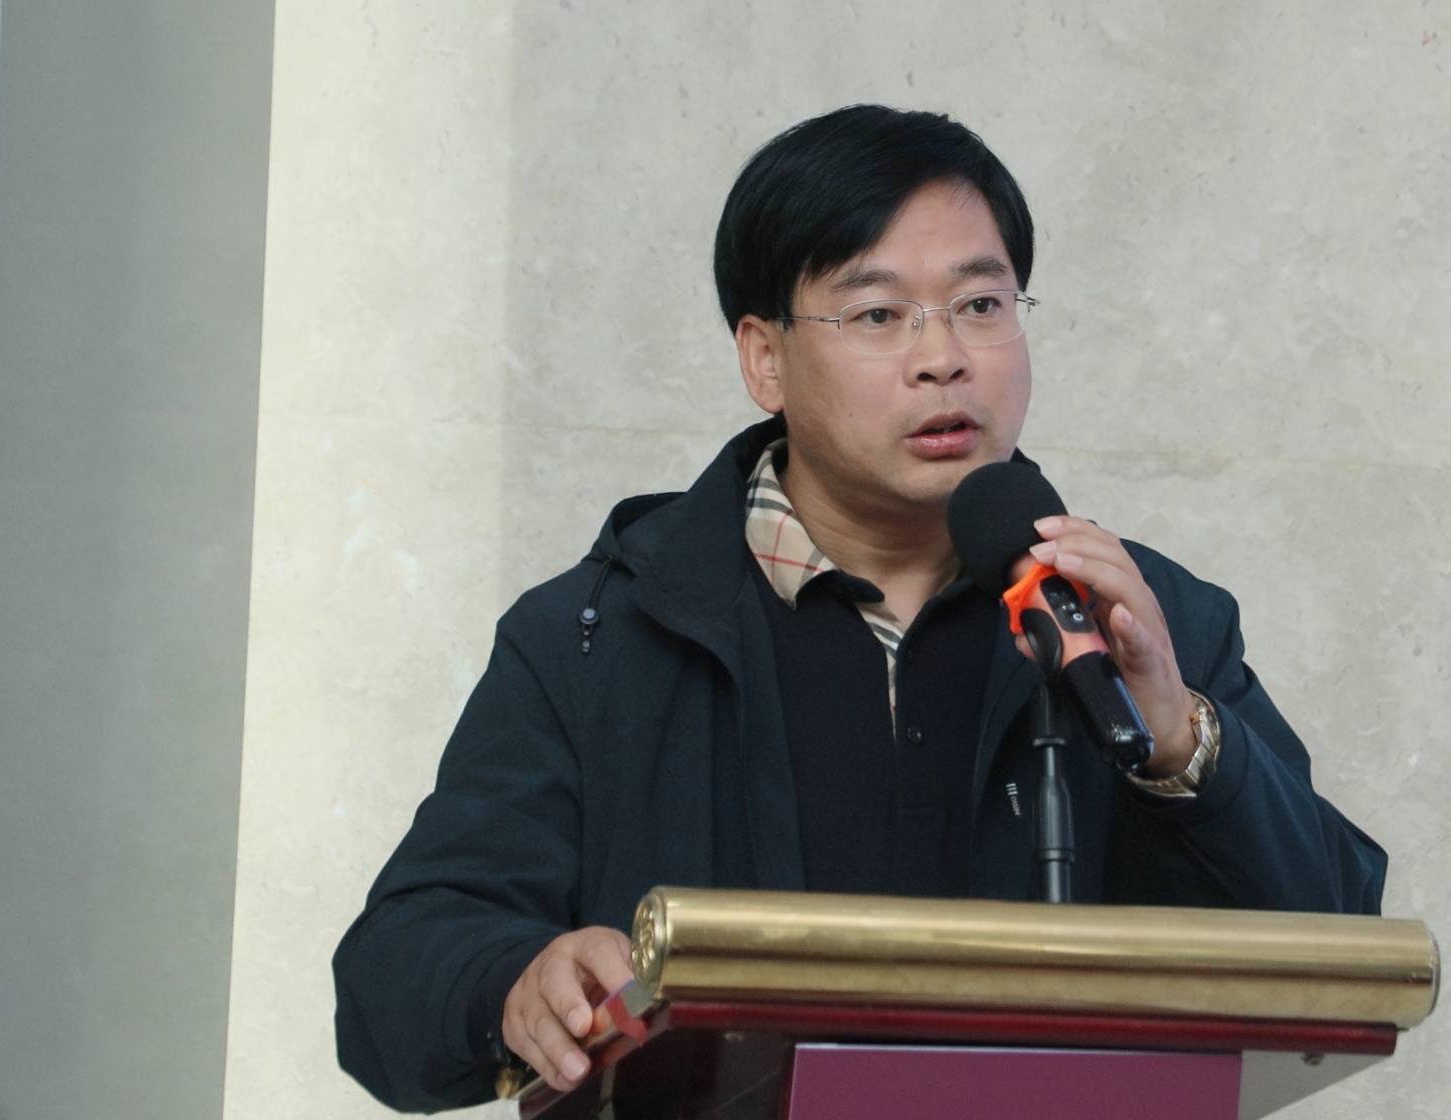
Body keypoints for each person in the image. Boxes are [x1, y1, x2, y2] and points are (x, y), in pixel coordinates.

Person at [332, 105, 1387, 1112]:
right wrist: (514, 980)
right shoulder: (596, 637)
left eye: (982, 305)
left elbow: (1337, 955)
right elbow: (390, 975)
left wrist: (1180, 743)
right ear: (765, 357)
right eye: (879, 314)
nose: (944, 356)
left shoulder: (1136, 620)